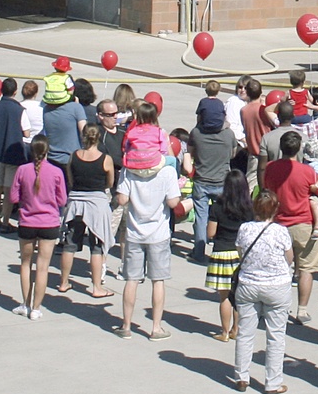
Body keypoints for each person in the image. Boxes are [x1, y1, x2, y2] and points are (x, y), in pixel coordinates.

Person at [115, 116, 187, 339]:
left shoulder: (128, 171)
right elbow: (173, 203)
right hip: (159, 233)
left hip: (135, 232)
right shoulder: (166, 172)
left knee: (131, 280)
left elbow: (122, 199)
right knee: (158, 281)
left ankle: (126, 326)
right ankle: (155, 327)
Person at [232, 190, 296, 392]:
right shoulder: (281, 231)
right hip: (277, 286)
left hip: (249, 284)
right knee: (276, 335)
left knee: (245, 333)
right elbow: (290, 257)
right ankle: (273, 382)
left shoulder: (245, 229)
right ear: (276, 209)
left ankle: (242, 376)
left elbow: (240, 252)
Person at [263, 128, 318, 322]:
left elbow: (267, 191)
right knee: (306, 268)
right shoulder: (308, 171)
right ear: (299, 149)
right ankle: (302, 309)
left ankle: (274, 306)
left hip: (279, 222)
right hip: (304, 224)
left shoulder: (271, 168)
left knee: (278, 268)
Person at [57, 122, 116, 300]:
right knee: (96, 246)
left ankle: (63, 282)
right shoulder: (105, 159)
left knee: (70, 244)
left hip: (76, 203)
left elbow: (70, 179)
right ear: (98, 138)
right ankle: (96, 286)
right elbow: (110, 183)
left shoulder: (74, 156)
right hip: (96, 203)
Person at [11, 136, 66, 321]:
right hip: (49, 223)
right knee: (43, 267)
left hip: (27, 222)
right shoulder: (56, 171)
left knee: (26, 264)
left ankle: (25, 304)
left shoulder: (22, 170)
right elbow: (62, 200)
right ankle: (36, 308)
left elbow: (13, 197)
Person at [189, 82, 238, 259]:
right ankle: (222, 248)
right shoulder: (228, 135)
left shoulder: (196, 133)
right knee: (224, 217)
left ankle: (199, 250)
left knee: (201, 218)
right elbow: (232, 154)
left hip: (202, 180)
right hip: (222, 181)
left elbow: (191, 152)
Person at [205, 169, 255, 341]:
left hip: (221, 252)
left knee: (224, 296)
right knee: (239, 297)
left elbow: (211, 232)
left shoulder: (218, 206)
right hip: (241, 255)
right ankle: (236, 329)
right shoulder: (249, 209)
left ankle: (224, 332)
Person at [0, 78, 25, 225]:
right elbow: (26, 132)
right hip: (13, 154)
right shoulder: (20, 109)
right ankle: (6, 221)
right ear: (15, 92)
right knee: (9, 190)